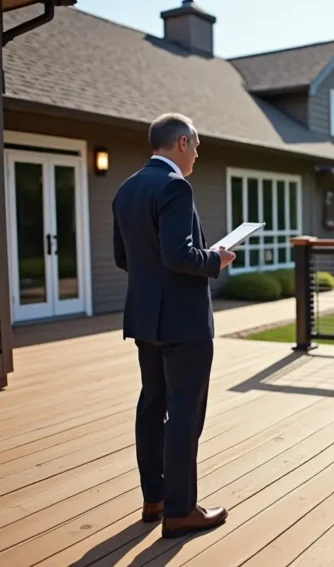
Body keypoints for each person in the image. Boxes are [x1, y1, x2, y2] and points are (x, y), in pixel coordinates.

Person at [112, 112, 235, 538]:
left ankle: (155, 497)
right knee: (184, 414)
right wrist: (215, 258)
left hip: (144, 318)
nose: (198, 155)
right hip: (183, 324)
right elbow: (180, 256)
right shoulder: (175, 186)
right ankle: (181, 511)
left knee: (151, 405)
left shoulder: (126, 189)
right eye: (196, 146)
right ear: (181, 142)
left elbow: (123, 258)